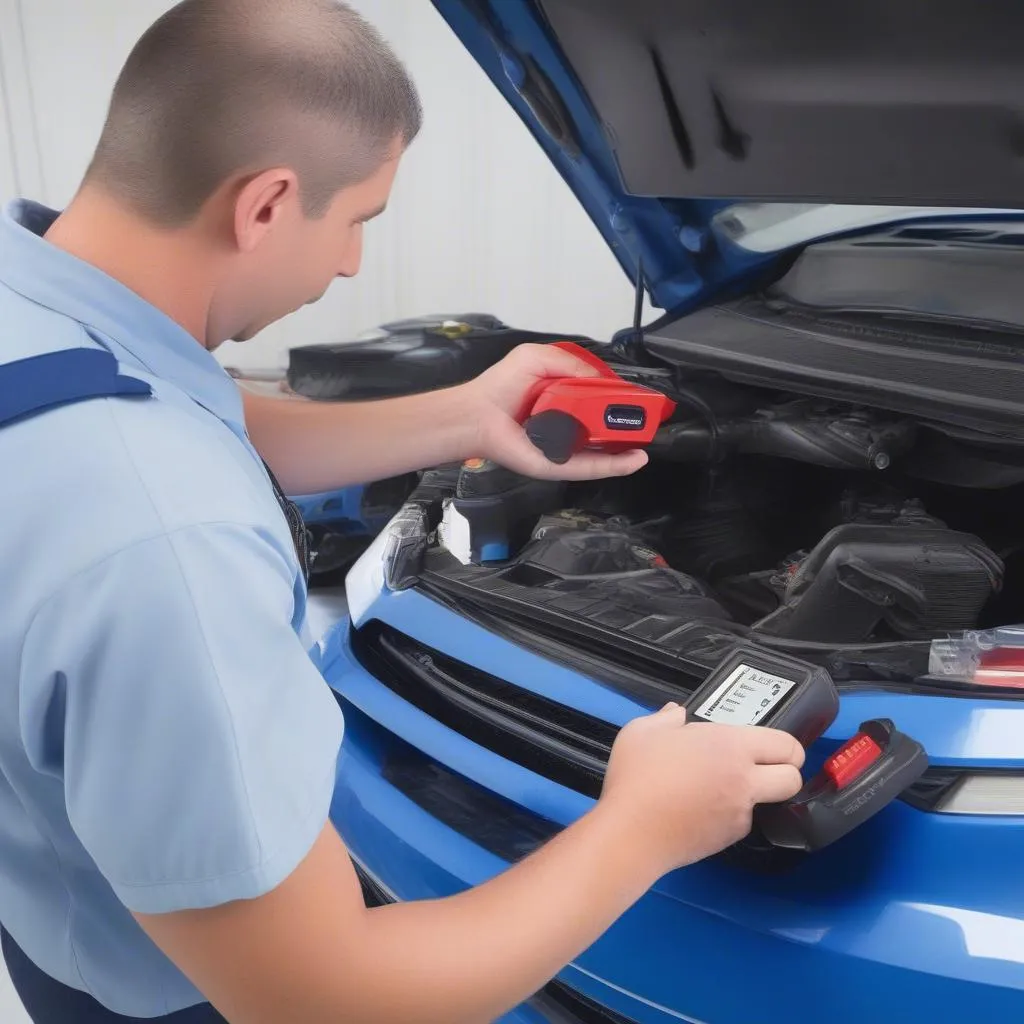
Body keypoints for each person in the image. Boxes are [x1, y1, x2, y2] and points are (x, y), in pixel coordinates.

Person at [0, 2, 805, 1022]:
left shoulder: (34, 295)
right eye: (357, 222)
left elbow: (183, 405)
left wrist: (469, 412)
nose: (347, 265)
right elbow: (331, 999)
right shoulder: (169, 549)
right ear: (265, 204)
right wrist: (643, 822)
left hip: (54, 911)